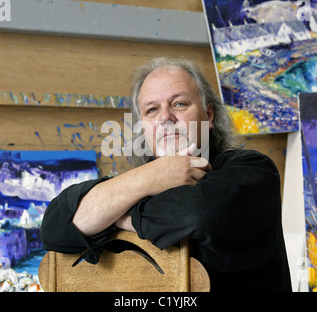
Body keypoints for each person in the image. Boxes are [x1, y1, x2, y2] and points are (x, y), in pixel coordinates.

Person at [40, 57, 292, 292]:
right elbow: (55, 226)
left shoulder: (254, 169)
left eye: (179, 104)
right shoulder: (139, 183)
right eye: (151, 110)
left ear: (209, 115)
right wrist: (152, 176)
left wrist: (116, 217)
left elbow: (197, 214)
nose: (165, 118)